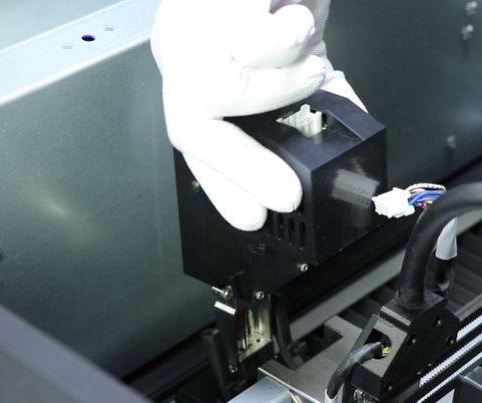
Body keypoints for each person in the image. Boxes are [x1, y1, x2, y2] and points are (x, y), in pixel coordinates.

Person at [152, 0, 365, 231]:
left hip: (284, 80)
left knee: (352, 171)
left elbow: (301, 42)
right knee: (258, 204)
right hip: (214, 116)